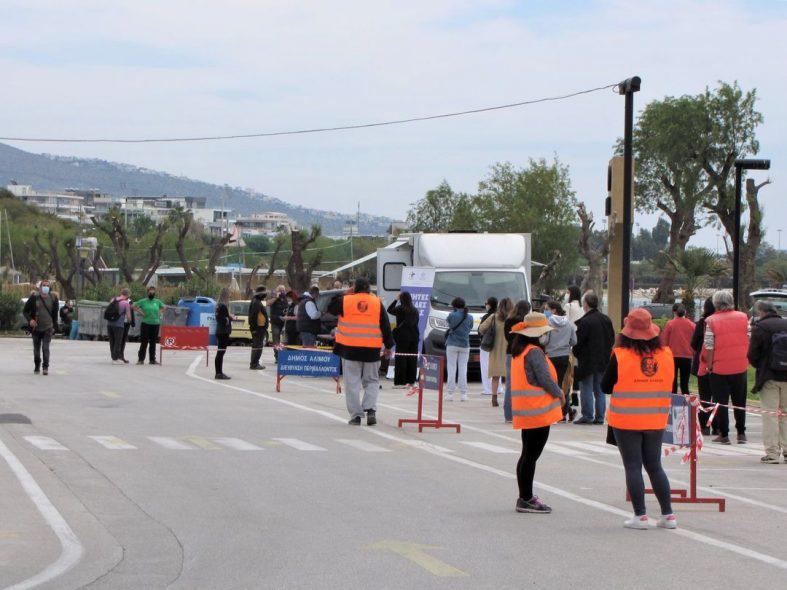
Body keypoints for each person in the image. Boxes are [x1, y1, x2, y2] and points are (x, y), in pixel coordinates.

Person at [602, 307, 677, 530]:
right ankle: (668, 515)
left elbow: (605, 386)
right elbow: (670, 385)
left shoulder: (621, 356)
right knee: (655, 466)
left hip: (626, 419)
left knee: (633, 466)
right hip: (655, 418)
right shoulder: (666, 354)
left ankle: (641, 516)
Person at [509, 312, 565, 513]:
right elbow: (545, 379)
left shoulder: (520, 350)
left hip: (527, 410)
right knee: (531, 456)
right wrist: (559, 393)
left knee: (526, 455)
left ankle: (525, 496)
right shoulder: (534, 352)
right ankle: (526, 498)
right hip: (538, 411)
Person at [329, 277, 394, 425]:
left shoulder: (345, 301)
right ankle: (370, 410)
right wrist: (389, 346)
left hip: (349, 350)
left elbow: (330, 308)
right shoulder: (377, 302)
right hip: (372, 351)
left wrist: (345, 293)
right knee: (372, 381)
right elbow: (385, 326)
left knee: (352, 383)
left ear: (354, 288)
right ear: (369, 289)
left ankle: (356, 416)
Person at [703, 290, 749, 445]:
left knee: (720, 402)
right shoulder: (743, 317)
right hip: (740, 365)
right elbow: (749, 338)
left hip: (719, 367)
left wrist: (709, 365)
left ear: (716, 303)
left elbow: (709, 345)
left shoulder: (711, 321)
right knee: (740, 401)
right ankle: (741, 433)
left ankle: (724, 434)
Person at [747, 300, 787, 463]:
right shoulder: (786, 324)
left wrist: (761, 366)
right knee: (785, 414)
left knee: (770, 414)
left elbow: (752, 355)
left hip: (769, 376)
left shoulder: (761, 328)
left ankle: (772, 453)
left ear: (761, 312)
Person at [572, 291, 615, 424]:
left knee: (586, 387)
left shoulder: (585, 322)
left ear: (585, 304)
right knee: (599, 389)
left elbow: (578, 342)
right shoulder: (606, 319)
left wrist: (576, 353)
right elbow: (612, 339)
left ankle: (588, 415)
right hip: (603, 359)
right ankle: (600, 416)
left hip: (587, 360)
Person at [544, 300, 577, 421]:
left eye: (547, 308)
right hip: (564, 356)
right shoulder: (568, 323)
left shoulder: (548, 323)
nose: (545, 311)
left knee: (552, 384)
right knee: (564, 384)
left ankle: (558, 411)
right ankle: (565, 410)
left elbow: (545, 340)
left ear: (553, 310)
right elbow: (574, 341)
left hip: (551, 355)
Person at [691, 298, 717, 435]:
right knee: (719, 396)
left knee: (705, 395)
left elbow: (693, 343)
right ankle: (717, 426)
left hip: (703, 362)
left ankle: (705, 426)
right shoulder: (721, 321)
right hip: (719, 362)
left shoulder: (702, 322)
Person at [503, 300, 532, 421]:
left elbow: (507, 337)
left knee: (510, 384)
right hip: (523, 353)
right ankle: (523, 411)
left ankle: (508, 414)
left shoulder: (509, 321)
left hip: (510, 353)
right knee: (524, 383)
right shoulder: (526, 322)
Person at [23, 280, 59, 375]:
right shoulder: (34, 297)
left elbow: (55, 314)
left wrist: (54, 326)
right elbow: (25, 311)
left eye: (47, 286)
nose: (45, 287)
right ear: (40, 287)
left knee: (45, 347)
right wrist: (30, 320)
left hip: (48, 327)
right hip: (36, 328)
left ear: (49, 287)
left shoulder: (54, 298)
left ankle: (45, 367)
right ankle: (37, 365)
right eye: (44, 285)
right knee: (36, 349)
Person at [479, 297, 510, 407]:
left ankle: (494, 398)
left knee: (495, 376)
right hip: (509, 350)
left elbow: (481, 329)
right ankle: (509, 398)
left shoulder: (493, 317)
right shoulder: (513, 318)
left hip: (495, 350)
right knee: (510, 378)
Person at [661, 303, 695, 395]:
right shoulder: (692, 325)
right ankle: (685, 406)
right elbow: (695, 341)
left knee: (673, 384)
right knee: (685, 385)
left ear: (673, 312)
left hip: (672, 357)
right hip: (687, 357)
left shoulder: (670, 324)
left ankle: (673, 405)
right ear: (685, 312)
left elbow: (664, 342)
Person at [387, 291, 420, 388]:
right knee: (412, 359)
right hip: (414, 338)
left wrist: (395, 299)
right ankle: (411, 381)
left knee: (401, 359)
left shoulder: (400, 309)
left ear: (401, 299)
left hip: (402, 338)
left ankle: (400, 382)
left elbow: (389, 309)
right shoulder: (415, 310)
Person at [445, 297, 473, 402]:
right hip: (465, 345)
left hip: (452, 344)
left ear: (454, 306)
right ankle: (464, 394)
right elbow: (470, 328)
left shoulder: (452, 315)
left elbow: (448, 325)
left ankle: (450, 394)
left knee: (451, 368)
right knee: (463, 369)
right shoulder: (469, 317)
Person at [133, 286, 166, 365]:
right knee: (144, 342)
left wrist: (160, 312)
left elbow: (164, 307)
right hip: (146, 324)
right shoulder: (143, 301)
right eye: (150, 292)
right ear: (147, 293)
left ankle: (152, 360)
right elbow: (134, 306)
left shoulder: (157, 301)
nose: (152, 293)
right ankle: (141, 359)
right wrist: (141, 312)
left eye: (153, 292)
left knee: (153, 342)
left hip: (155, 324)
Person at [566, 285, 585, 409]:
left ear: (571, 293)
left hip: (569, 340)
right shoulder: (582, 307)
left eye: (567, 292)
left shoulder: (568, 306)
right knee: (576, 369)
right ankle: (575, 395)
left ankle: (570, 396)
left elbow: (566, 322)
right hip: (580, 339)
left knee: (569, 371)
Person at [214, 287, 235, 380]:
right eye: (229, 294)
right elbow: (223, 319)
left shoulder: (218, 305)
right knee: (221, 352)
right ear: (226, 295)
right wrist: (230, 318)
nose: (230, 296)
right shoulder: (223, 306)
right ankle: (219, 373)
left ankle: (219, 372)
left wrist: (228, 317)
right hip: (223, 331)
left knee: (220, 352)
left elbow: (220, 317)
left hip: (220, 331)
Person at [107, 288, 132, 364]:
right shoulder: (126, 303)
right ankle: (116, 359)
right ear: (128, 295)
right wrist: (129, 321)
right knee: (118, 342)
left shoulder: (113, 299)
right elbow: (128, 316)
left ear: (121, 293)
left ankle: (113, 358)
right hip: (119, 325)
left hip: (109, 324)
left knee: (112, 341)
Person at [248, 286, 268, 370]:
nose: (265, 295)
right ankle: (254, 364)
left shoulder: (257, 301)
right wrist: (254, 329)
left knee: (257, 346)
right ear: (260, 294)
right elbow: (253, 316)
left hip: (259, 328)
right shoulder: (256, 302)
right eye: (264, 293)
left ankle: (254, 363)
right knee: (258, 346)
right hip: (258, 328)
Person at [269, 285, 288, 360]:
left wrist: (286, 315)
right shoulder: (274, 297)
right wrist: (276, 297)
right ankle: (277, 356)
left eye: (283, 290)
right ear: (277, 291)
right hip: (275, 322)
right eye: (280, 291)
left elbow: (287, 308)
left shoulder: (285, 298)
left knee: (284, 340)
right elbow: (268, 303)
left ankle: (283, 355)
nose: (282, 292)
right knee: (276, 339)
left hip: (283, 322)